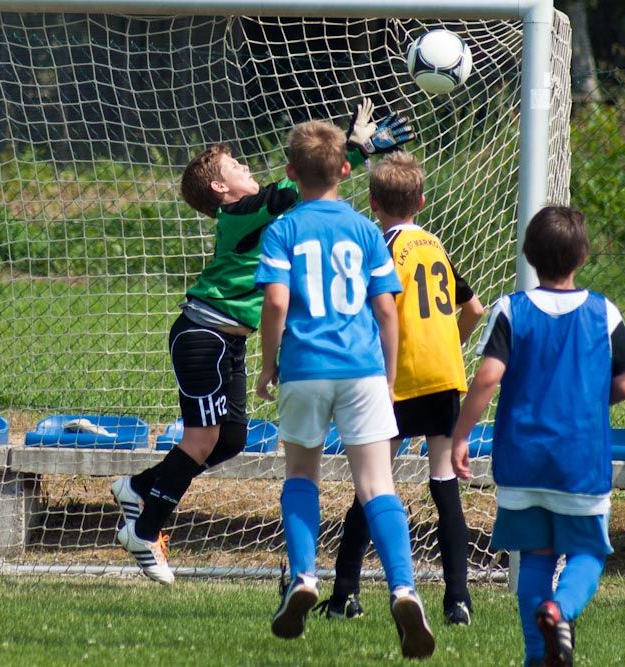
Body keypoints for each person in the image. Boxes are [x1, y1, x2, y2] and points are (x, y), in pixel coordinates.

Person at [109, 101, 414, 584]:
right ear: (220, 188)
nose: (246, 167)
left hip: (228, 341)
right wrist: (354, 148)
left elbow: (307, 187)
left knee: (231, 440)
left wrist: (349, 153)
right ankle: (144, 531)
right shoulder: (238, 212)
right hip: (203, 335)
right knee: (202, 439)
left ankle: (139, 487)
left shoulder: (258, 215)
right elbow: (292, 190)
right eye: (235, 166)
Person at [254, 120, 435, 659]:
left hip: (305, 367)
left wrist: (268, 364)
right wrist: (388, 374)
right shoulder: (365, 230)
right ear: (344, 169)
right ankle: (404, 589)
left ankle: (304, 576)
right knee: (377, 484)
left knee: (301, 474)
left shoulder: (282, 229)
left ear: (291, 172)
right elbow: (386, 309)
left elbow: (277, 302)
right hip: (362, 370)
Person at [450, 205, 625, 667]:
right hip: (579, 460)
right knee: (587, 553)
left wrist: (461, 435)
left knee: (535, 558)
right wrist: (585, 401)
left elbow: (487, 377)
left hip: (522, 459)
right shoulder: (603, 312)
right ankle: (560, 610)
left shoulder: (510, 310)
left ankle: (537, 657)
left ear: (528, 254)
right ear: (583, 256)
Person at [315, 152, 484, 626]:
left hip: (398, 379)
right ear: (422, 201)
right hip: (444, 377)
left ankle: (345, 594)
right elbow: (474, 309)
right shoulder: (434, 245)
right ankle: (458, 601)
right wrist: (448, 345)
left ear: (372, 203)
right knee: (444, 487)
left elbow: (377, 309)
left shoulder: (382, 247)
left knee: (372, 484)